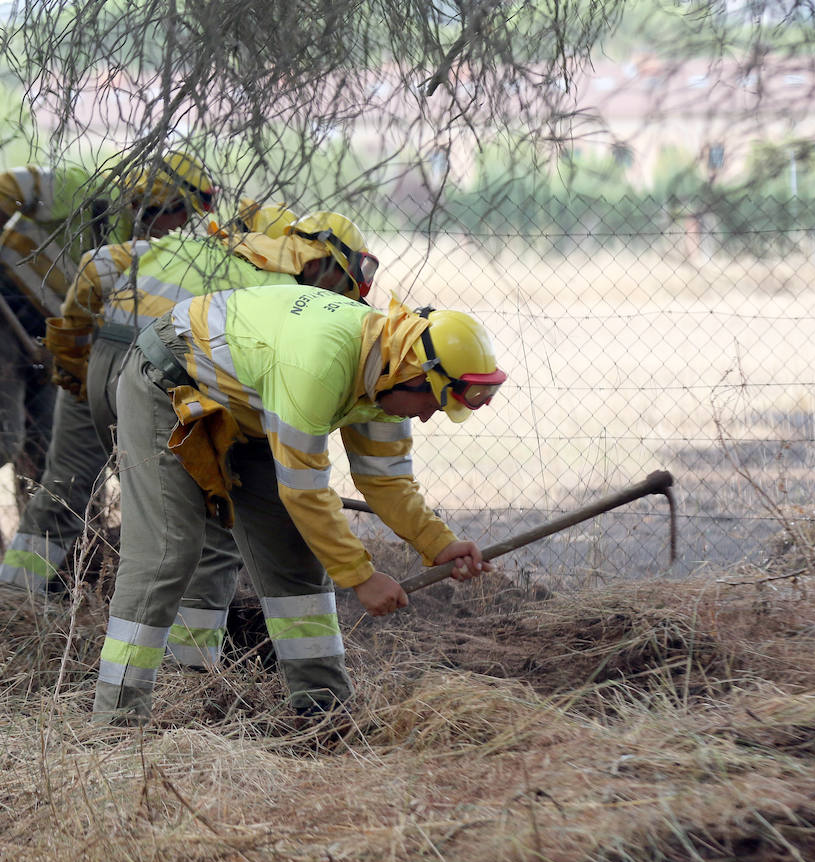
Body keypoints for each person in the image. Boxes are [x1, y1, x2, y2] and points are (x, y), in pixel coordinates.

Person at [92, 286, 507, 724]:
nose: (425, 416)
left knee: (293, 557)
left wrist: (439, 544)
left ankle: (324, 713)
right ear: (413, 373)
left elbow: (388, 482)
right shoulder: (320, 363)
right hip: (169, 380)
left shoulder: (389, 371)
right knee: (168, 551)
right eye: (431, 402)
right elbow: (304, 492)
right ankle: (117, 721)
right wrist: (361, 576)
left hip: (253, 405)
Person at [0, 208, 378, 624]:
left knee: (65, 483)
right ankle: (192, 664)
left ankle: (10, 607)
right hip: (169, 377)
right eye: (346, 285)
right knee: (211, 523)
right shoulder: (289, 297)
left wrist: (70, 351)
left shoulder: (187, 246)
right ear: (321, 263)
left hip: (103, 355)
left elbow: (95, 263)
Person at [0, 150, 215, 545]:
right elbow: (12, 186)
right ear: (161, 200)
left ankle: (46, 551)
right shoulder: (84, 192)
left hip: (52, 335)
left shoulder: (142, 245)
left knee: (51, 452)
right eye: (184, 212)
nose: (185, 226)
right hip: (0, 309)